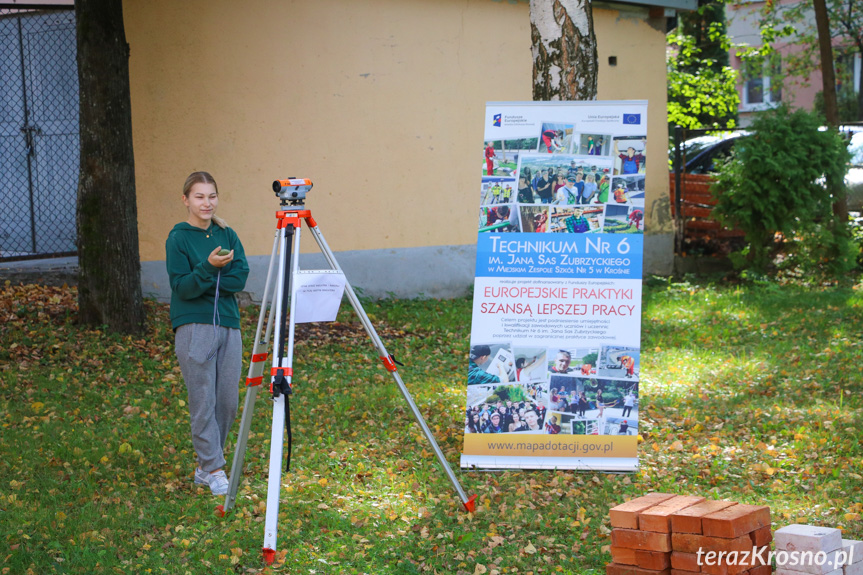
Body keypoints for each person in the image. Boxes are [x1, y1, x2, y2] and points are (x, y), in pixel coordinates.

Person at [166, 171, 250, 496]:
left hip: (229, 322)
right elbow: (182, 288)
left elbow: (239, 277)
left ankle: (205, 466)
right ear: (186, 199)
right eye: (199, 196)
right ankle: (214, 468)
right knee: (203, 399)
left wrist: (207, 277)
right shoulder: (178, 238)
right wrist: (211, 268)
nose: (207, 202)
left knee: (227, 401)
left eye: (212, 196)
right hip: (194, 325)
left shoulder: (226, 234)